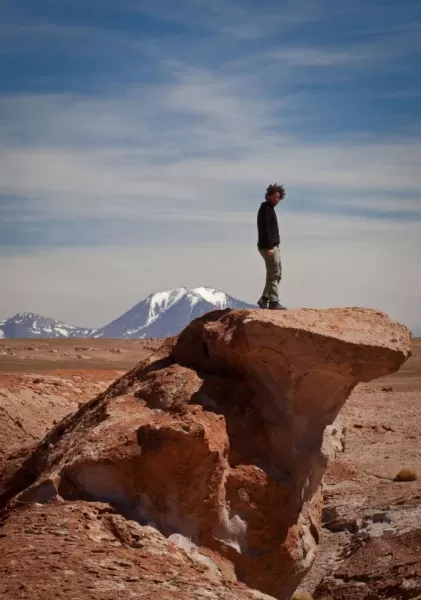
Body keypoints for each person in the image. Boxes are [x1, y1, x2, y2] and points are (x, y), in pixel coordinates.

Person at [257, 183, 286, 310]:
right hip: (268, 246)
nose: (277, 199)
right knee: (273, 274)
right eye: (275, 196)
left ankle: (264, 299)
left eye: (279, 197)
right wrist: (269, 246)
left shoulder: (269, 209)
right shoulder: (265, 209)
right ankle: (273, 302)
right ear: (269, 196)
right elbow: (265, 229)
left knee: (277, 274)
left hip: (273, 246)